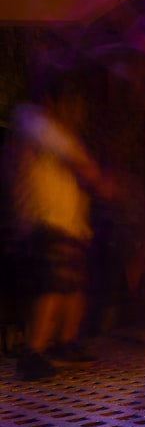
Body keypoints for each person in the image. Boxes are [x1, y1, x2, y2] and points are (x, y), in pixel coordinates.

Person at [7, 80, 115, 380]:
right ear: (56, 100)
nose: (78, 111)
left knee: (73, 287)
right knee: (52, 286)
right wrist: (97, 179)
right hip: (47, 222)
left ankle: (64, 344)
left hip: (67, 225)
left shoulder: (60, 133)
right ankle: (32, 353)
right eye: (73, 103)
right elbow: (78, 163)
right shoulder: (32, 119)